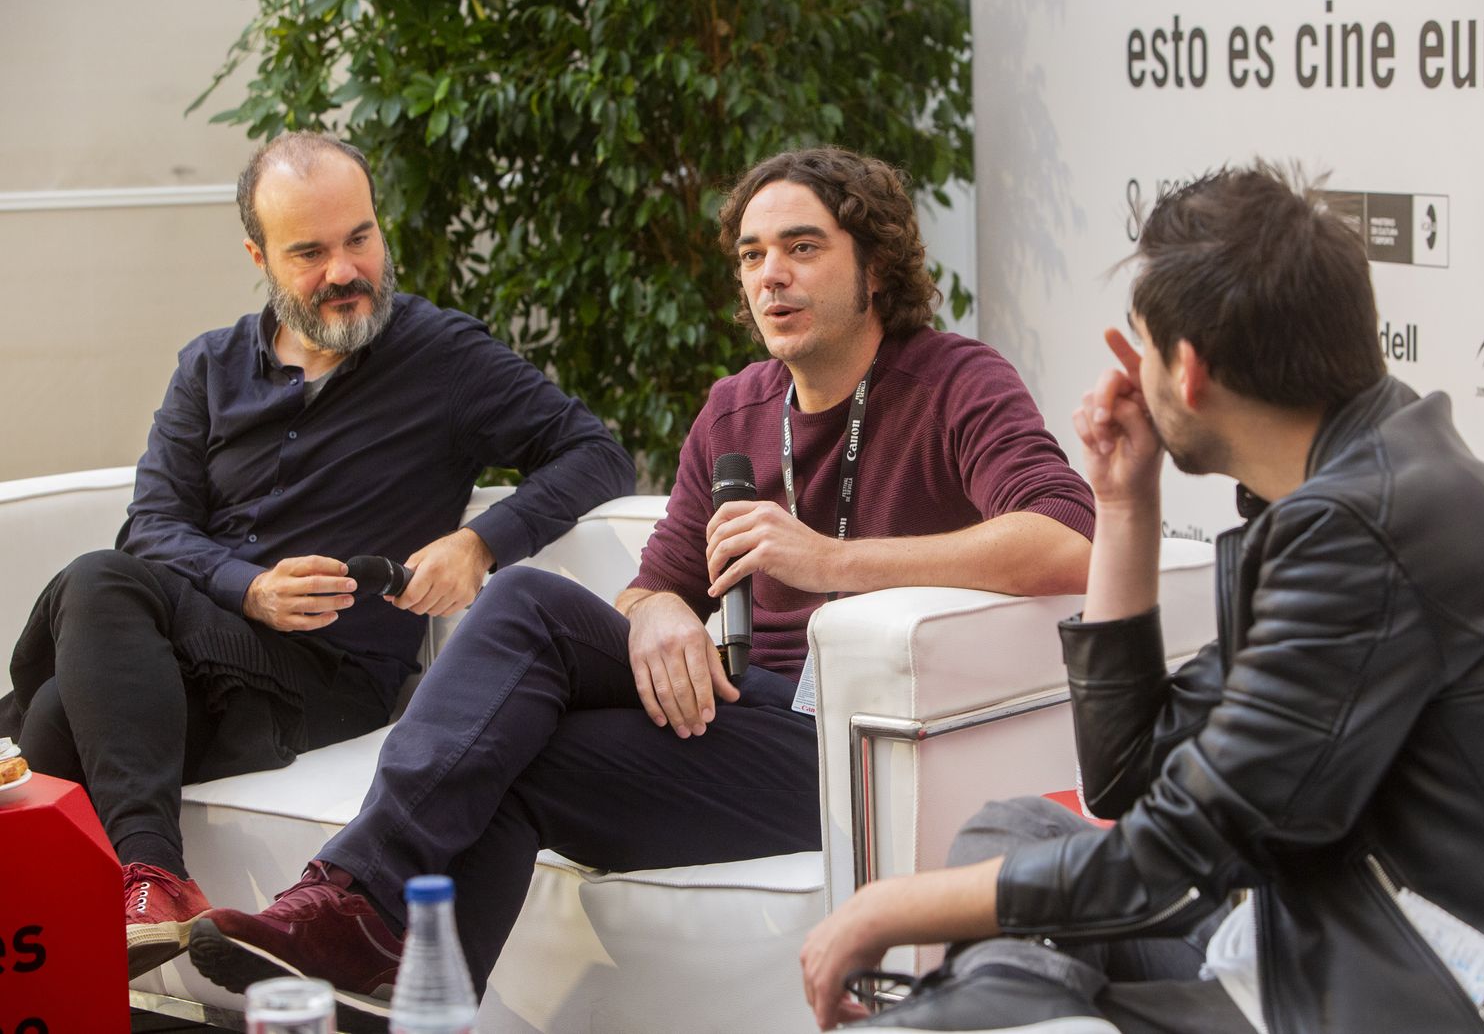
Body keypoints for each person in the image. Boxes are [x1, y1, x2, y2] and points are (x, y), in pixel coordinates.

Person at [188, 146, 1098, 1029]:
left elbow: (1066, 538)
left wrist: (829, 561)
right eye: (752, 254)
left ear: (876, 264)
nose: (771, 274)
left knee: (521, 600)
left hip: (854, 748)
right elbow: (651, 586)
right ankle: (406, 996)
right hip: (739, 716)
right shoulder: (735, 406)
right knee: (501, 756)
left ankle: (348, 894)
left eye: (803, 247)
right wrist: (659, 613)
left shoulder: (953, 381)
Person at [799, 163, 1484, 1034]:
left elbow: (1176, 849)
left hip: (1435, 991)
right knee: (1018, 827)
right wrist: (1125, 505)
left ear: (1187, 370)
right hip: (1317, 932)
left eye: (1140, 345)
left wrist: (889, 908)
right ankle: (1005, 1011)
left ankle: (993, 1013)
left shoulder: (1367, 529)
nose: (1127, 374)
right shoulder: (1354, 483)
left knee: (992, 935)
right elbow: (1125, 774)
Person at [5, 131, 635, 981]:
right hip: (195, 661)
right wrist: (250, 586)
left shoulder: (443, 357)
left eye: (359, 238)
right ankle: (109, 947)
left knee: (83, 604)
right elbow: (152, 524)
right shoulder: (211, 366)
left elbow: (594, 451)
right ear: (259, 255)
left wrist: (481, 540)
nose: (344, 270)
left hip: (327, 675)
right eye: (309, 251)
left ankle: (150, 878)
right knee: (55, 711)